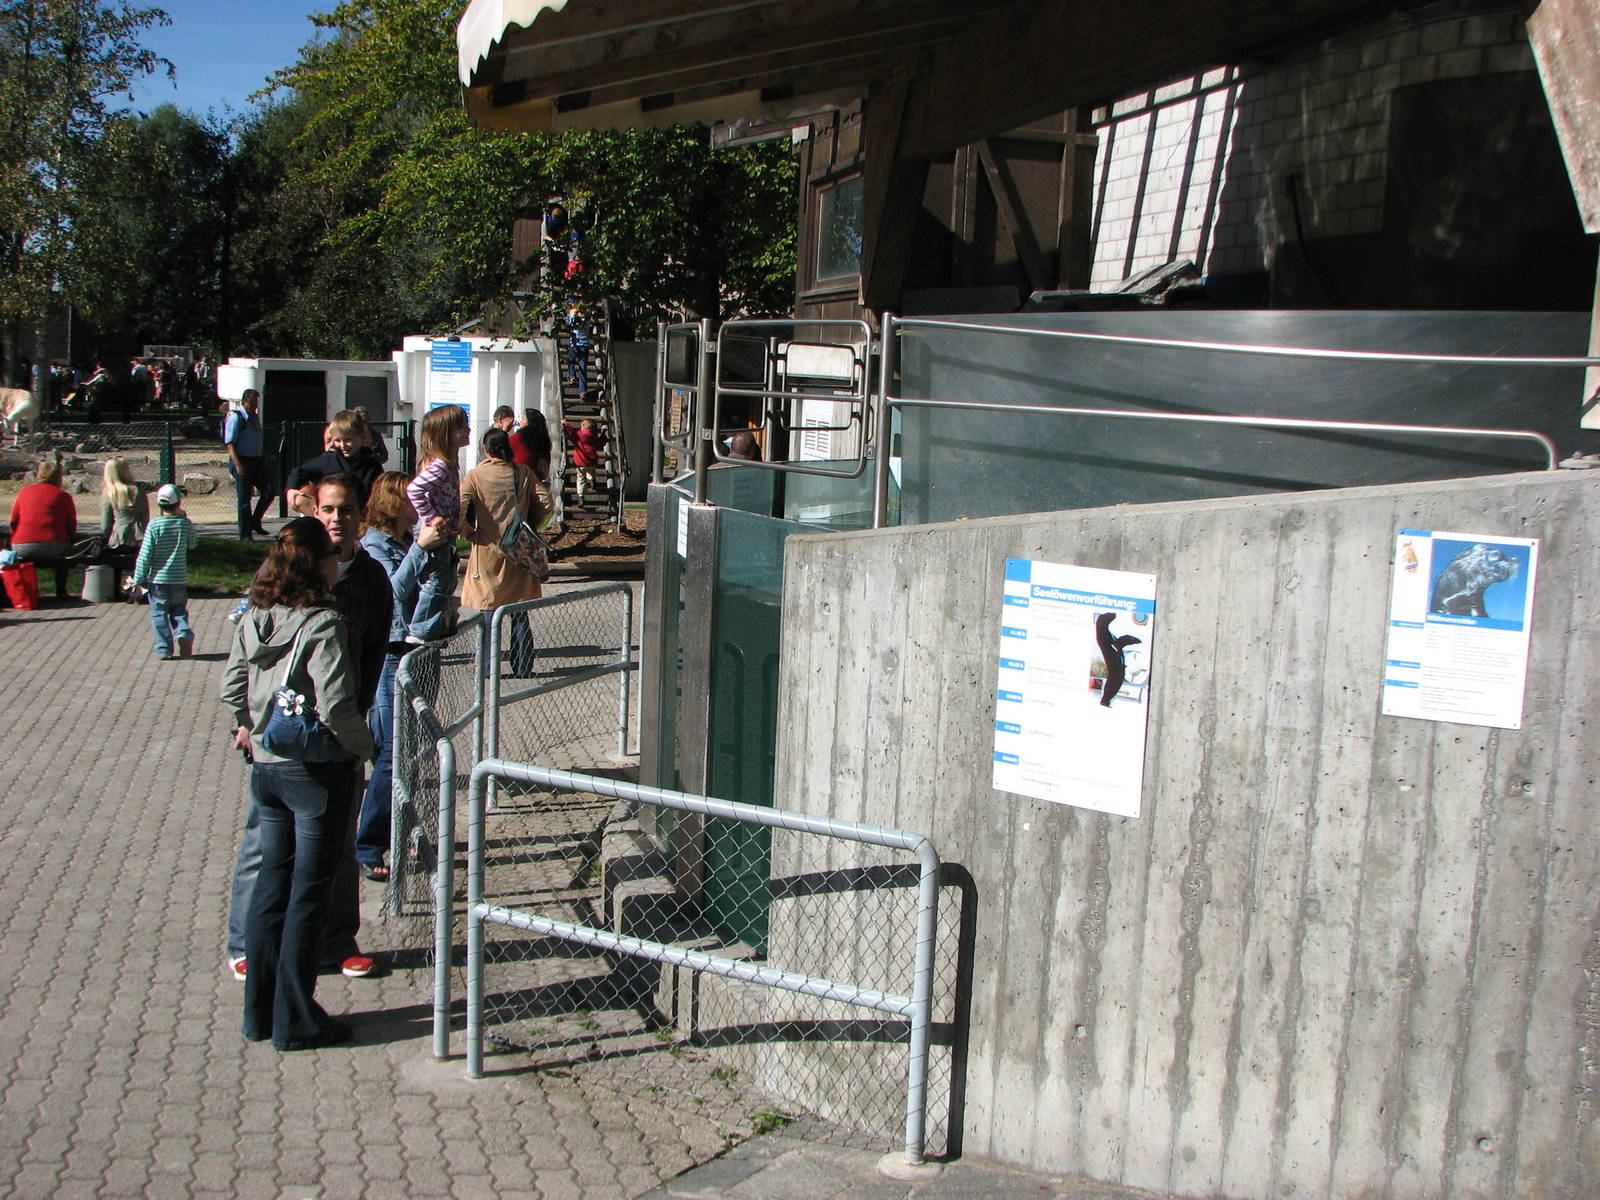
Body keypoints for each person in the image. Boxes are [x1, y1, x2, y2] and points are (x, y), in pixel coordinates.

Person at [226, 472, 392, 981]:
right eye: (328, 510)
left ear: (361, 516)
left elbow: (372, 656)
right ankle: (247, 942)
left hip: (334, 736)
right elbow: (249, 651)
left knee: (338, 843)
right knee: (265, 844)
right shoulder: (287, 569)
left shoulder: (370, 579)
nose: (337, 519)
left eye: (346, 510)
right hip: (279, 735)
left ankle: (335, 939)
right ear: (312, 513)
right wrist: (245, 719)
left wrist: (351, 732)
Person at [354, 472, 448, 879]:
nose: (420, 506)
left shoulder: (406, 540)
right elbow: (388, 592)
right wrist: (420, 550)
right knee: (393, 753)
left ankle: (403, 831)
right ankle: (370, 843)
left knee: (408, 750)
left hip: (418, 650)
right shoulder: (374, 546)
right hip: (392, 654)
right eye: (412, 500)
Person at [462, 429, 546, 676]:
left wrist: (466, 531)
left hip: (486, 550)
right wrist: (532, 526)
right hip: (518, 549)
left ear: (485, 450)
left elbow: (459, 506)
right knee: (519, 610)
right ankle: (522, 666)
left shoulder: (475, 476)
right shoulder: (522, 472)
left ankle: (487, 667)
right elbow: (546, 502)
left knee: (488, 608)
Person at [404, 405, 469, 642]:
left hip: (445, 531)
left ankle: (436, 621)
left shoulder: (448, 463)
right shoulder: (440, 465)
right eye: (462, 427)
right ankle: (421, 628)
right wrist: (432, 517)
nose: (468, 430)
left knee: (447, 576)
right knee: (437, 579)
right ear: (447, 433)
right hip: (435, 531)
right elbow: (415, 490)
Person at [133, 484, 198, 660]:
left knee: (159, 613)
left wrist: (137, 577)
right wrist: (185, 520)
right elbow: (193, 543)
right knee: (179, 609)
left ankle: (163, 648)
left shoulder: (154, 526)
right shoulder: (184, 524)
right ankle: (183, 632)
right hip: (179, 578)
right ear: (178, 504)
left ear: (159, 504)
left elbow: (145, 554)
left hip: (157, 579)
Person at [8, 459, 77, 598]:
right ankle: (61, 590)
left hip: (23, 546)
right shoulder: (64, 496)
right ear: (58, 477)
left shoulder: (24, 492)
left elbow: (13, 522)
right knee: (65, 553)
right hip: (55, 545)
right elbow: (71, 526)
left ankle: (26, 592)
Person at [285, 409, 383, 506]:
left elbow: (381, 494)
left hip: (362, 516)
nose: (343, 445)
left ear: (361, 437)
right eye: (337, 440)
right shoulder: (328, 460)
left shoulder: (372, 466)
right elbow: (298, 472)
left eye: (348, 440)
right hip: (332, 514)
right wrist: (291, 490)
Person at [225, 389, 274, 539]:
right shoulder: (236, 417)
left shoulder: (254, 417)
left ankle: (255, 522)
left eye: (256, 404)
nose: (254, 407)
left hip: (256, 460)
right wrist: (238, 464)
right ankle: (245, 535)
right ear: (244, 401)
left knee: (269, 491)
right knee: (244, 500)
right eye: (252, 404)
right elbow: (230, 444)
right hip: (242, 460)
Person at [100, 457, 149, 599]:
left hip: (119, 538)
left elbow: (106, 524)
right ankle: (136, 590)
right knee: (136, 562)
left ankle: (115, 590)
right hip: (139, 537)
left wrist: (105, 536)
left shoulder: (109, 493)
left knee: (114, 560)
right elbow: (145, 517)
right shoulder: (138, 491)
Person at [562, 416, 607, 503]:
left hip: (580, 462)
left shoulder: (578, 435)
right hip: (591, 461)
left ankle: (581, 497)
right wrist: (603, 433)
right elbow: (601, 442)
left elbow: (571, 433)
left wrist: (565, 424)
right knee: (591, 471)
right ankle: (591, 480)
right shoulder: (594, 437)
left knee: (580, 478)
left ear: (583, 427)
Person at [562, 301, 592, 398]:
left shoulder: (572, 317)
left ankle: (571, 376)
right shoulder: (586, 318)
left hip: (575, 345)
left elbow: (565, 322)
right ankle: (583, 391)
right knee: (583, 369)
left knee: (570, 360)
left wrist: (563, 313)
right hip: (585, 345)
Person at [512, 410, 552, 479]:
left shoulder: (517, 438)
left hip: (518, 478)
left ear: (530, 423)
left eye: (523, 419)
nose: (520, 421)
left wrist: (504, 430)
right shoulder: (544, 441)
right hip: (536, 479)